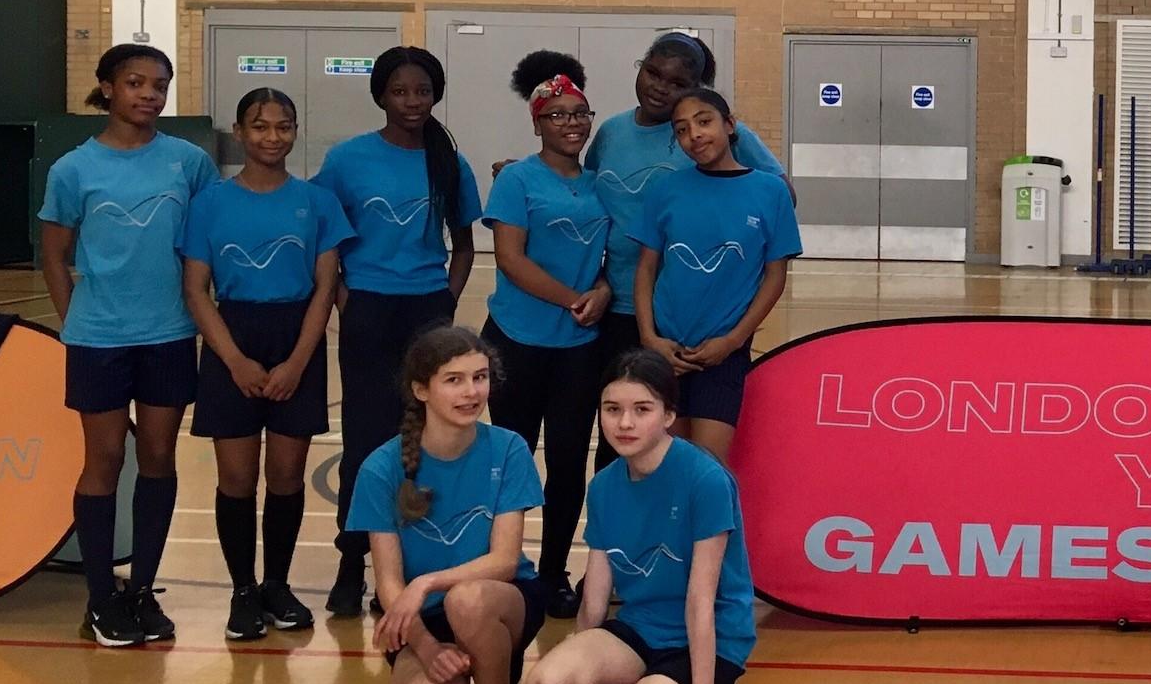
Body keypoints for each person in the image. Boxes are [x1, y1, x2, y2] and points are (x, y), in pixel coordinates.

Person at [39, 44, 220, 647]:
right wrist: (79, 322)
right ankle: (99, 598)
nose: (148, 94)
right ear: (108, 88)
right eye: (136, 83)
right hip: (99, 339)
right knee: (105, 460)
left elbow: (205, 244)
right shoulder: (72, 169)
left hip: (169, 334)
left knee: (160, 460)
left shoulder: (189, 163)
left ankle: (141, 590)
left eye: (159, 85)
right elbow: (55, 255)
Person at [523, 349, 756, 684]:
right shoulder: (606, 485)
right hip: (641, 628)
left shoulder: (705, 479)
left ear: (669, 415)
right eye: (613, 410)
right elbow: (594, 602)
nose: (624, 424)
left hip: (705, 638)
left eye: (641, 410)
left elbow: (701, 602)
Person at [313, 47, 482, 619]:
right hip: (368, 310)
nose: (413, 102)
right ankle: (350, 561)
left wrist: (447, 300)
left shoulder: (447, 162)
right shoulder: (347, 160)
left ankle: (415, 565)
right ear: (381, 96)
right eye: (400, 91)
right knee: (364, 443)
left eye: (423, 91)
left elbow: (463, 243)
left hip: (426, 312)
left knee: (425, 440)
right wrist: (344, 299)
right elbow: (327, 238)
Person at [179, 89, 352, 641]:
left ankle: (277, 583)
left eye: (283, 126)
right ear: (239, 131)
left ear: (295, 131)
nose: (272, 136)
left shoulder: (317, 201)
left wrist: (299, 361)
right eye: (260, 126)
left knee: (284, 475)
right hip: (234, 339)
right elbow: (197, 290)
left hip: (294, 336)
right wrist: (234, 361)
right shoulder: (210, 202)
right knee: (236, 477)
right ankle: (242, 591)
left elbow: (326, 287)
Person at [345, 325, 547, 684]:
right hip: (423, 619)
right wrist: (427, 647)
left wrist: (428, 584)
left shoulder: (509, 449)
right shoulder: (381, 468)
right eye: (454, 380)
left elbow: (503, 560)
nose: (471, 391)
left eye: (479, 378)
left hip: (501, 602)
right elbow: (389, 585)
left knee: (467, 600)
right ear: (421, 390)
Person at [483, 51, 613, 618]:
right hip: (516, 341)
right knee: (511, 459)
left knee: (567, 463)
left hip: (579, 350)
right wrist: (572, 298)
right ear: (537, 122)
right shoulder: (516, 179)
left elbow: (615, 258)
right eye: (558, 115)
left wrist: (603, 291)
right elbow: (510, 258)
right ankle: (504, 565)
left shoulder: (601, 185)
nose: (572, 123)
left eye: (580, 113)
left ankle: (556, 569)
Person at [586, 32, 788, 381]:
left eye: (677, 83)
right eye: (652, 73)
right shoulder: (611, 132)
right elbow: (582, 190)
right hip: (614, 299)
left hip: (692, 315)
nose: (660, 87)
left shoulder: (717, 132)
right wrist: (529, 170)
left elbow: (777, 198)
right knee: (619, 415)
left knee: (675, 424)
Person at [633, 87, 801, 459]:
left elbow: (775, 276)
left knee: (709, 465)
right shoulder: (666, 190)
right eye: (681, 130)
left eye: (704, 121)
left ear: (729, 125)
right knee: (665, 463)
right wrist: (650, 338)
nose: (694, 135)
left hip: (722, 355)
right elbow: (646, 269)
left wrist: (733, 341)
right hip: (666, 352)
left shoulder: (770, 191)